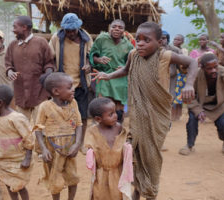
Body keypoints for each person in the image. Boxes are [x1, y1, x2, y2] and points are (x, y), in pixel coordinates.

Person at [92, 22, 198, 200]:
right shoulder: (133, 55)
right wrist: (108, 75)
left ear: (159, 42)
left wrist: (189, 84)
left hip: (158, 117)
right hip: (138, 113)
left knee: (152, 157)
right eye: (138, 39)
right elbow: (126, 70)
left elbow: (193, 62)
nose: (140, 43)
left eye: (146, 40)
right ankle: (138, 190)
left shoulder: (165, 55)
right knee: (135, 155)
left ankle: (150, 193)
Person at [179, 53, 224, 156]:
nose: (213, 70)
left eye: (215, 67)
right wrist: (198, 111)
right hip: (199, 105)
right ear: (202, 67)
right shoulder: (195, 75)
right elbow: (190, 97)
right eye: (209, 68)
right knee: (191, 122)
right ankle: (189, 145)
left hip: (219, 106)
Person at [34, 72, 82, 200]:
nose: (73, 90)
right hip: (52, 149)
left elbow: (78, 124)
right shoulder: (45, 106)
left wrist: (77, 144)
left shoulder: (74, 103)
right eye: (69, 87)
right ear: (56, 91)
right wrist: (43, 149)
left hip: (69, 147)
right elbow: (38, 128)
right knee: (55, 178)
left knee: (72, 177)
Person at [48, 13, 92, 152]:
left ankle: (80, 144)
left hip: (81, 84)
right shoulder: (57, 38)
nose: (71, 33)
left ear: (78, 27)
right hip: (63, 86)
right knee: (61, 115)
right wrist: (54, 72)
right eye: (68, 30)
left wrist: (88, 65)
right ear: (64, 29)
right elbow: (50, 56)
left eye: (73, 30)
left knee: (83, 116)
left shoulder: (86, 38)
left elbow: (91, 55)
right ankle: (63, 143)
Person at [5, 16, 55, 123]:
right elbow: (8, 64)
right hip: (21, 93)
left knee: (41, 126)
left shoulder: (41, 42)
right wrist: (10, 72)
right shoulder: (12, 45)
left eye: (15, 27)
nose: (13, 30)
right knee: (23, 126)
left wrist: (47, 75)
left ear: (24, 27)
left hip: (39, 92)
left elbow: (49, 63)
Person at [0, 85, 34, 200]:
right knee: (8, 183)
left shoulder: (17, 118)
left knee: (20, 186)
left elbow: (29, 138)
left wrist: (27, 157)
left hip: (18, 160)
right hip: (3, 159)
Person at [84, 97, 133, 200]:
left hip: (118, 172)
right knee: (100, 195)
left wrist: (128, 146)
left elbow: (125, 139)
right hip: (101, 173)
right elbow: (88, 145)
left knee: (118, 195)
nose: (115, 116)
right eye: (111, 114)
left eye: (115, 112)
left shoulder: (119, 128)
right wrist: (90, 152)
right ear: (98, 119)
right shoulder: (93, 131)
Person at [90, 19, 133, 122]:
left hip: (120, 78)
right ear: (109, 28)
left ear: (124, 30)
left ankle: (117, 130)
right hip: (104, 76)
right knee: (104, 105)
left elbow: (131, 63)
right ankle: (102, 130)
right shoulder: (101, 39)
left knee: (118, 108)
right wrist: (99, 60)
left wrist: (124, 67)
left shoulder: (128, 45)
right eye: (114, 26)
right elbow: (92, 55)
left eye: (120, 27)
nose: (116, 29)